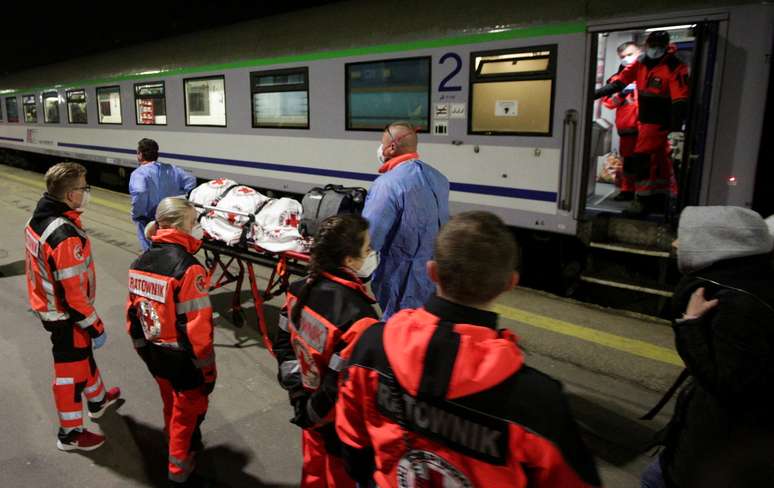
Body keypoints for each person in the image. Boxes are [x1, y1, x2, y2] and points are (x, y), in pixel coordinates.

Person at [336, 212, 601, 488]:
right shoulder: (537, 402)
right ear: (510, 283)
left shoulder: (373, 347)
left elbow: (352, 443)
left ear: (432, 272)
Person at [641, 206, 774, 488]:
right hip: (717, 448)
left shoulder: (737, 306)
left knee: (653, 480)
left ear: (714, 245)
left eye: (685, 237)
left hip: (716, 457)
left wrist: (690, 325)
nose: (675, 244)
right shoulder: (750, 285)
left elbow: (726, 383)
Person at [274, 214, 380, 487]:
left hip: (308, 407)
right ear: (348, 260)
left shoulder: (299, 289)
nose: (371, 254)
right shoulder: (359, 317)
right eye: (367, 249)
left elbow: (284, 345)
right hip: (334, 427)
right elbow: (343, 386)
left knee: (311, 475)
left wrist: (299, 395)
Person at [24, 162, 121, 451]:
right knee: (69, 374)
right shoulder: (64, 235)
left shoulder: (38, 217)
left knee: (83, 356)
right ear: (69, 196)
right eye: (83, 188)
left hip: (49, 304)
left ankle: (98, 399)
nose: (86, 192)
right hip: (65, 316)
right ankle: (70, 434)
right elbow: (74, 293)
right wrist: (95, 324)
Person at [126, 197, 216, 485]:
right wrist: (207, 371)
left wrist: (142, 349)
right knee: (188, 411)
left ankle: (176, 441)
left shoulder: (140, 261)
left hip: (154, 352)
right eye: (194, 222)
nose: (198, 228)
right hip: (183, 360)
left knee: (170, 402)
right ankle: (178, 468)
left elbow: (133, 317)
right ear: (180, 227)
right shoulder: (189, 269)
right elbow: (198, 331)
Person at [362, 121, 449, 319]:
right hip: (435, 275)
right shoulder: (439, 178)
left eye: (381, 143)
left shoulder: (387, 185)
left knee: (400, 332)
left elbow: (370, 238)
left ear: (391, 148)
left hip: (402, 278)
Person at [595, 30, 688, 216]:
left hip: (658, 121)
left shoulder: (674, 67)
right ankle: (659, 197)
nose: (654, 50)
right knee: (656, 160)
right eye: (652, 45)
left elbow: (680, 99)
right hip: (639, 124)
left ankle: (643, 200)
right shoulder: (642, 63)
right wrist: (594, 93)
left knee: (642, 159)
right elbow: (620, 82)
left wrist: (675, 126)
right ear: (647, 45)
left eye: (658, 46)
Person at [129, 138, 197, 251]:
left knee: (152, 250)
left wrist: (137, 214)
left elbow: (140, 193)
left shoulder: (139, 174)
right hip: (173, 216)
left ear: (140, 154)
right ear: (157, 154)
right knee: (173, 245)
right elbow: (191, 180)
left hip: (151, 219)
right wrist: (181, 198)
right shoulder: (172, 169)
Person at [601, 41, 641, 201]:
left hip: (649, 127)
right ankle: (627, 191)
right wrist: (622, 94)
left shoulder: (649, 74)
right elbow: (608, 102)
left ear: (639, 52)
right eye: (623, 57)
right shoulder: (617, 79)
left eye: (630, 55)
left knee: (650, 163)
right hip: (628, 129)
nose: (626, 59)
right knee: (629, 163)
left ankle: (648, 195)